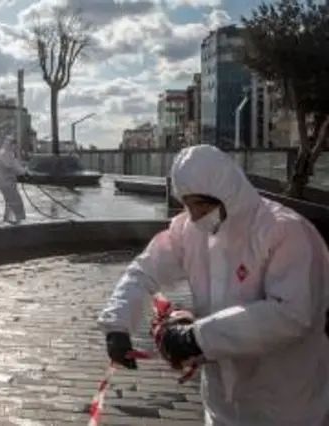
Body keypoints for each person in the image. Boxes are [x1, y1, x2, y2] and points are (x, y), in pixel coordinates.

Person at [98, 145, 329, 426]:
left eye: (202, 205)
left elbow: (292, 315)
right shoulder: (188, 232)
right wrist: (117, 326)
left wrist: (196, 338)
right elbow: (143, 272)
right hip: (222, 406)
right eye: (188, 205)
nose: (194, 215)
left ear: (228, 194)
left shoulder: (285, 232)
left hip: (286, 407)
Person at [0, 135, 28, 224]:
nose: (15, 147)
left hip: (7, 182)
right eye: (14, 145)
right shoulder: (5, 153)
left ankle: (8, 220)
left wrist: (23, 171)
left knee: (10, 202)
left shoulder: (7, 153)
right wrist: (24, 172)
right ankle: (17, 221)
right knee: (16, 202)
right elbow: (12, 165)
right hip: (6, 182)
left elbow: (15, 165)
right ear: (10, 144)